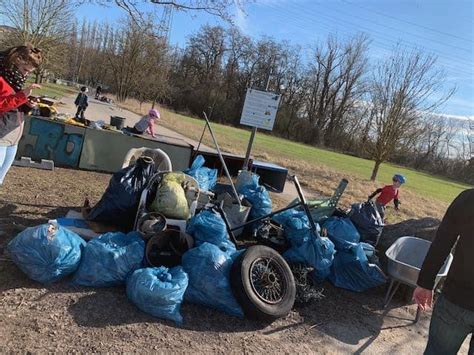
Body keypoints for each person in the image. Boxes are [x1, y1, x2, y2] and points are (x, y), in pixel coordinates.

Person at [413, 188, 473, 354]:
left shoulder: (468, 198)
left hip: (455, 300)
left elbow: (442, 243)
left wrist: (425, 282)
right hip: (455, 300)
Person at [0, 44, 42, 187]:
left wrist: (27, 104)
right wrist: (22, 95)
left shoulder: (15, 78)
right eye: (25, 69)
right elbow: (2, 105)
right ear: (16, 59)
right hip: (2, 136)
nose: (25, 75)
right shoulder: (2, 77)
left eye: (29, 72)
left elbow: (13, 104)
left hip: (13, 138)